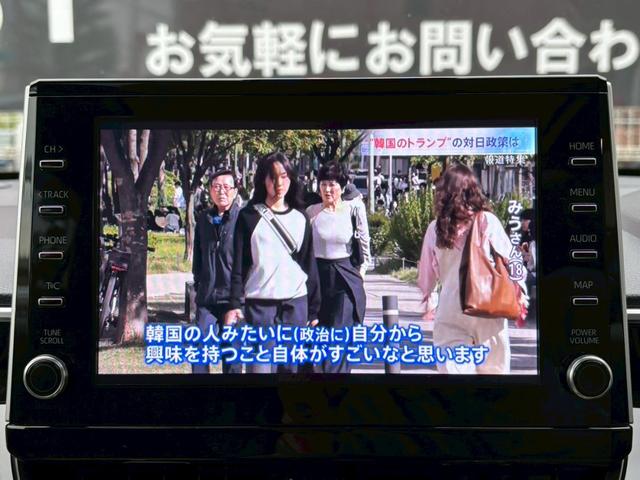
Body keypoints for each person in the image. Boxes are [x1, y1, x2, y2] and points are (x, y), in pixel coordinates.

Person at [417, 163, 528, 375]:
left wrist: (429, 301)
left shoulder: (435, 228)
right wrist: (520, 292)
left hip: (450, 309)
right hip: (489, 307)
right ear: (473, 191)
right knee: (493, 373)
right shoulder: (487, 221)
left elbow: (426, 275)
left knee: (454, 372)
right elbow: (512, 259)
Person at [225, 152, 321, 374]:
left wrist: (314, 311)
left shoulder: (301, 218)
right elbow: (239, 265)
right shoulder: (248, 216)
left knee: (290, 371)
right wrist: (234, 304)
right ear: (263, 180)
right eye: (272, 177)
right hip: (259, 306)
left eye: (284, 176)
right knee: (259, 369)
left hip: (295, 305)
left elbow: (309, 266)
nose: (279, 184)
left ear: (292, 178)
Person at [307, 162, 368, 373]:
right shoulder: (311, 213)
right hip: (317, 278)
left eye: (332, 184)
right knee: (318, 336)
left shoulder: (353, 210)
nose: (327, 189)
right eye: (323, 184)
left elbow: (365, 248)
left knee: (339, 338)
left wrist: (360, 275)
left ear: (342, 187)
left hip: (345, 279)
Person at [192, 170, 242, 374]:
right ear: (210, 190)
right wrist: (198, 283)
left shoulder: (243, 219)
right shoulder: (204, 219)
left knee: (232, 355)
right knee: (199, 349)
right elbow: (198, 257)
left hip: (233, 299)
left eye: (227, 187)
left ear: (235, 191)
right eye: (217, 187)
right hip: (207, 297)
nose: (222, 191)